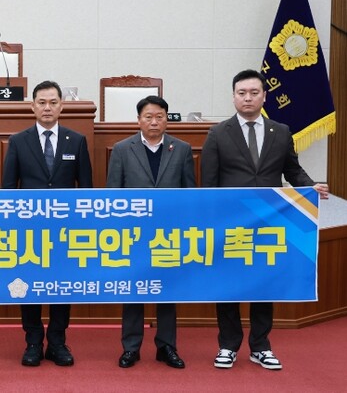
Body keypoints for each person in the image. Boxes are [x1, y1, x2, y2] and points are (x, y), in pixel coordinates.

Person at [201, 69, 329, 371]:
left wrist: (310, 185)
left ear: (264, 96)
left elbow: (292, 171)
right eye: (242, 93)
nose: (247, 98)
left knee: (264, 283)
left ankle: (261, 346)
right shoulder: (218, 133)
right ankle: (228, 345)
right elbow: (208, 184)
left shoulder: (281, 132)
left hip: (269, 222)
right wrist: (212, 223)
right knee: (229, 284)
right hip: (231, 224)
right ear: (233, 97)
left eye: (253, 92)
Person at [2, 80, 93, 367]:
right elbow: (9, 189)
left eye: (53, 102)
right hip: (29, 231)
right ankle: (32, 342)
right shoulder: (18, 141)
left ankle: (57, 342)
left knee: (61, 285)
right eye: (41, 102)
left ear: (61, 106)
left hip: (66, 231)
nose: (47, 108)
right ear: (32, 106)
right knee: (28, 283)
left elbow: (86, 190)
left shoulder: (76, 140)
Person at [106, 95, 195, 369]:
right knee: (134, 290)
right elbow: (113, 194)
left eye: (159, 116)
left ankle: (166, 347)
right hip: (133, 235)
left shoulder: (181, 149)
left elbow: (189, 194)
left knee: (167, 291)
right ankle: (131, 348)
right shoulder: (122, 149)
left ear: (166, 119)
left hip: (169, 234)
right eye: (148, 117)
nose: (154, 121)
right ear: (138, 120)